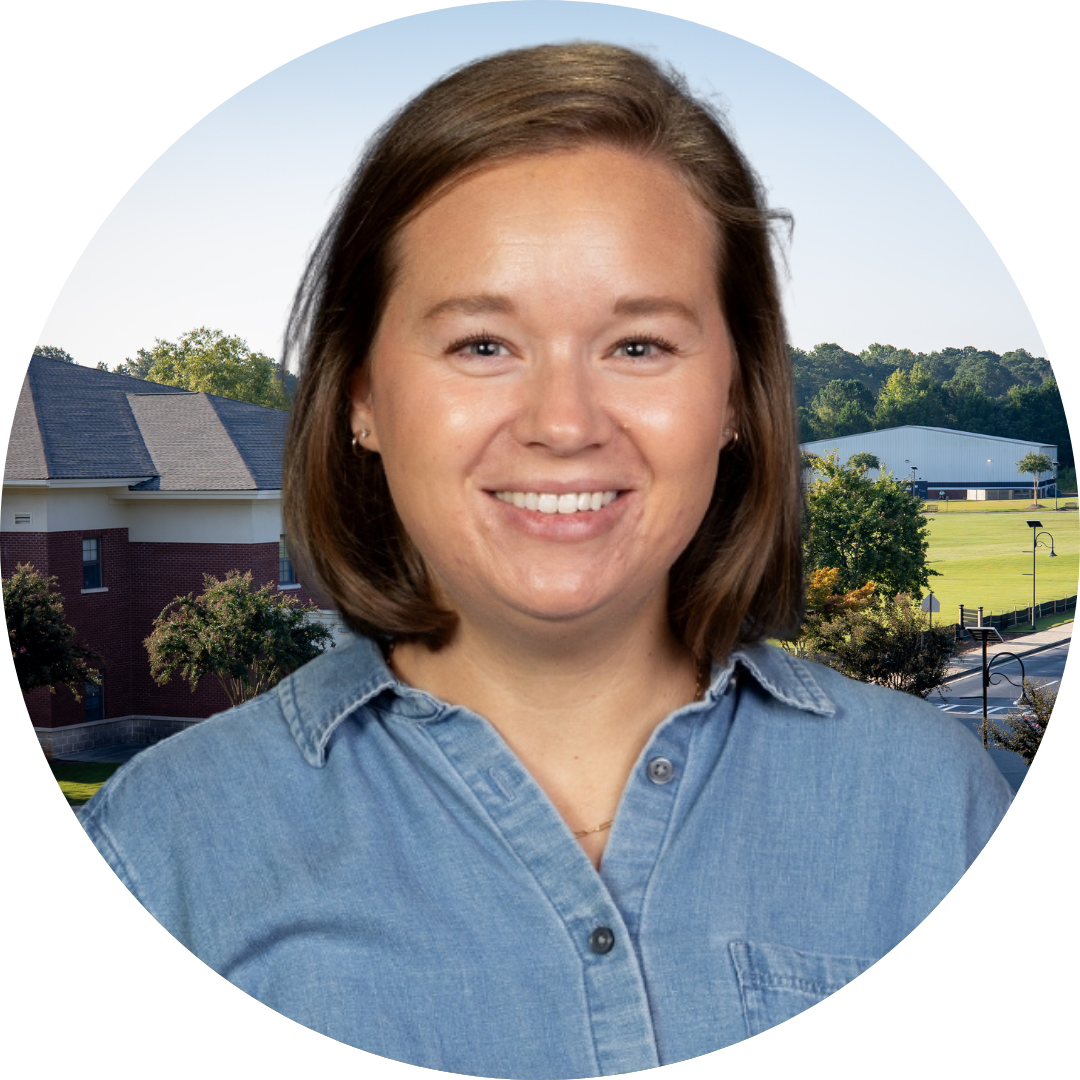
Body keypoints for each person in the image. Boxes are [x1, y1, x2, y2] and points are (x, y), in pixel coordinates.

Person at [79, 43, 1012, 1073]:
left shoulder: (941, 810)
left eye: (639, 345)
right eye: (483, 344)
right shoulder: (165, 853)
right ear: (361, 397)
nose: (563, 424)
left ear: (739, 398)